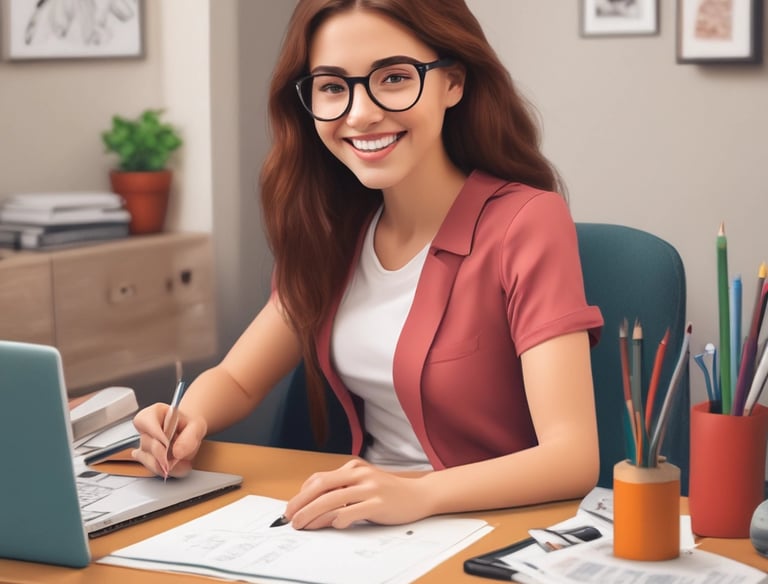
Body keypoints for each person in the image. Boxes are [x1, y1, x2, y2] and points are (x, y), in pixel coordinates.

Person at [132, 0, 604, 530]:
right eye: (333, 87)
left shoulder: (526, 221)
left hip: (482, 526)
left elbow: (571, 457)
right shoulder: (336, 230)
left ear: (453, 82)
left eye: (395, 77)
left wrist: (417, 494)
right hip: (364, 528)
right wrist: (184, 420)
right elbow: (239, 380)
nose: (360, 113)